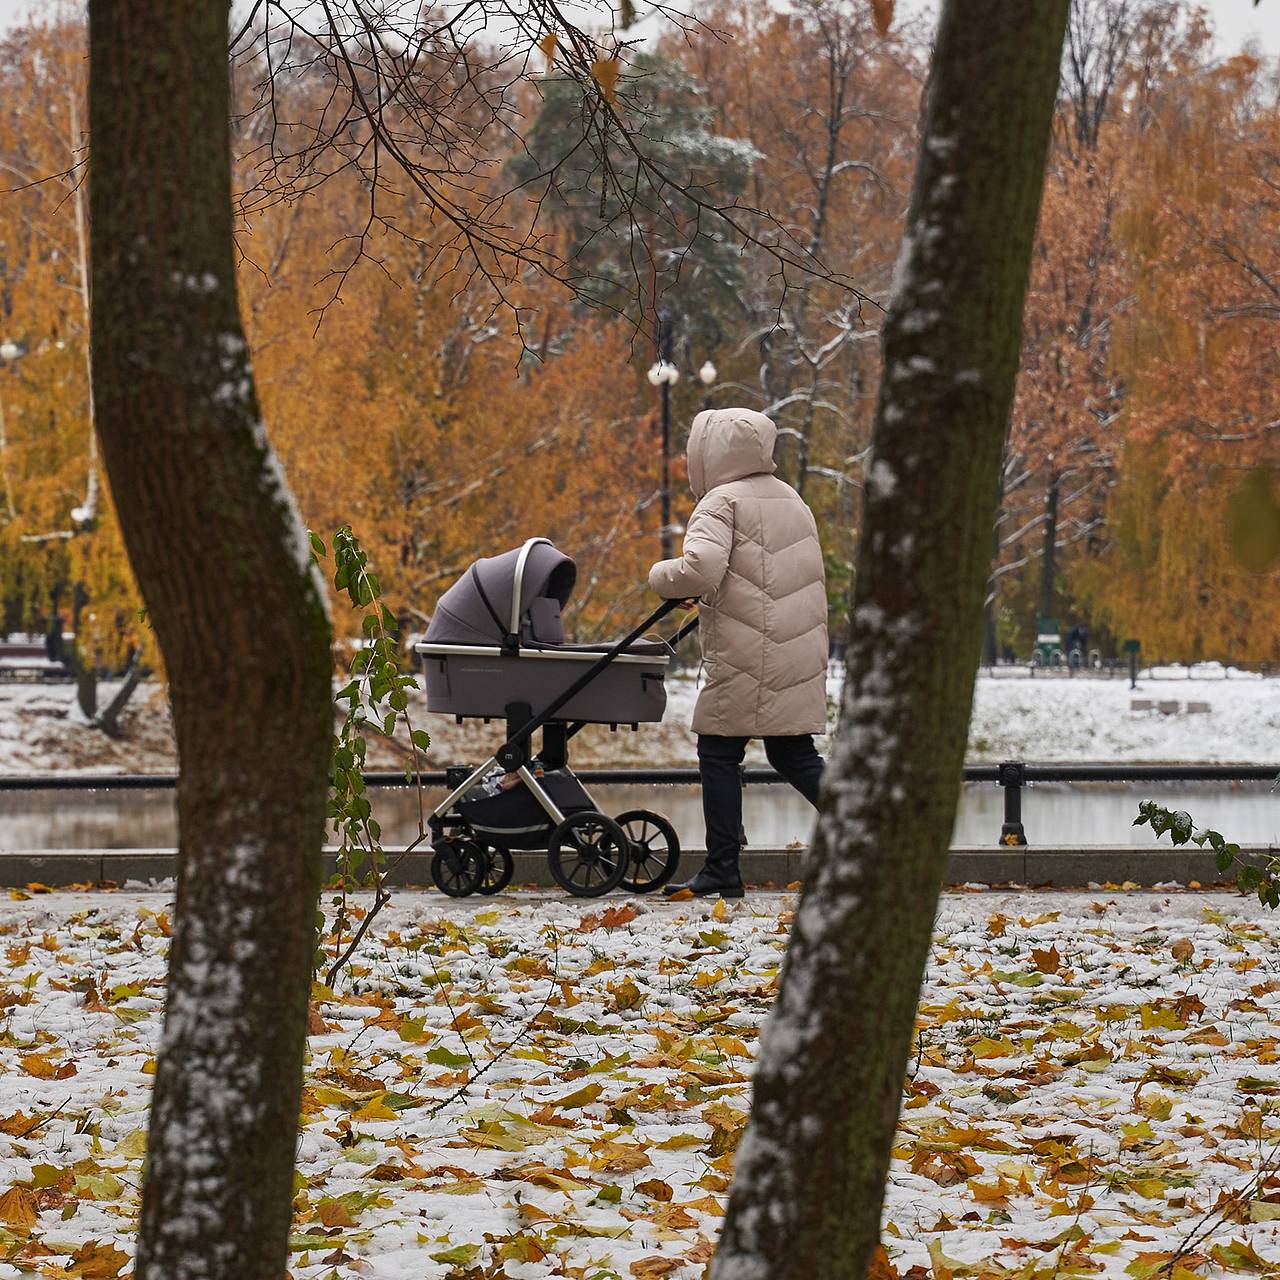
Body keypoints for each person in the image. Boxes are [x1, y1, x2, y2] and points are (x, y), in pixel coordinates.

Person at [649, 407, 828, 898]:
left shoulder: (719, 502)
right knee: (792, 753)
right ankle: (872, 835)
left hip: (748, 651)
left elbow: (702, 569)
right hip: (794, 651)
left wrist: (660, 576)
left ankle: (723, 865)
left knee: (718, 750)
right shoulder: (793, 499)